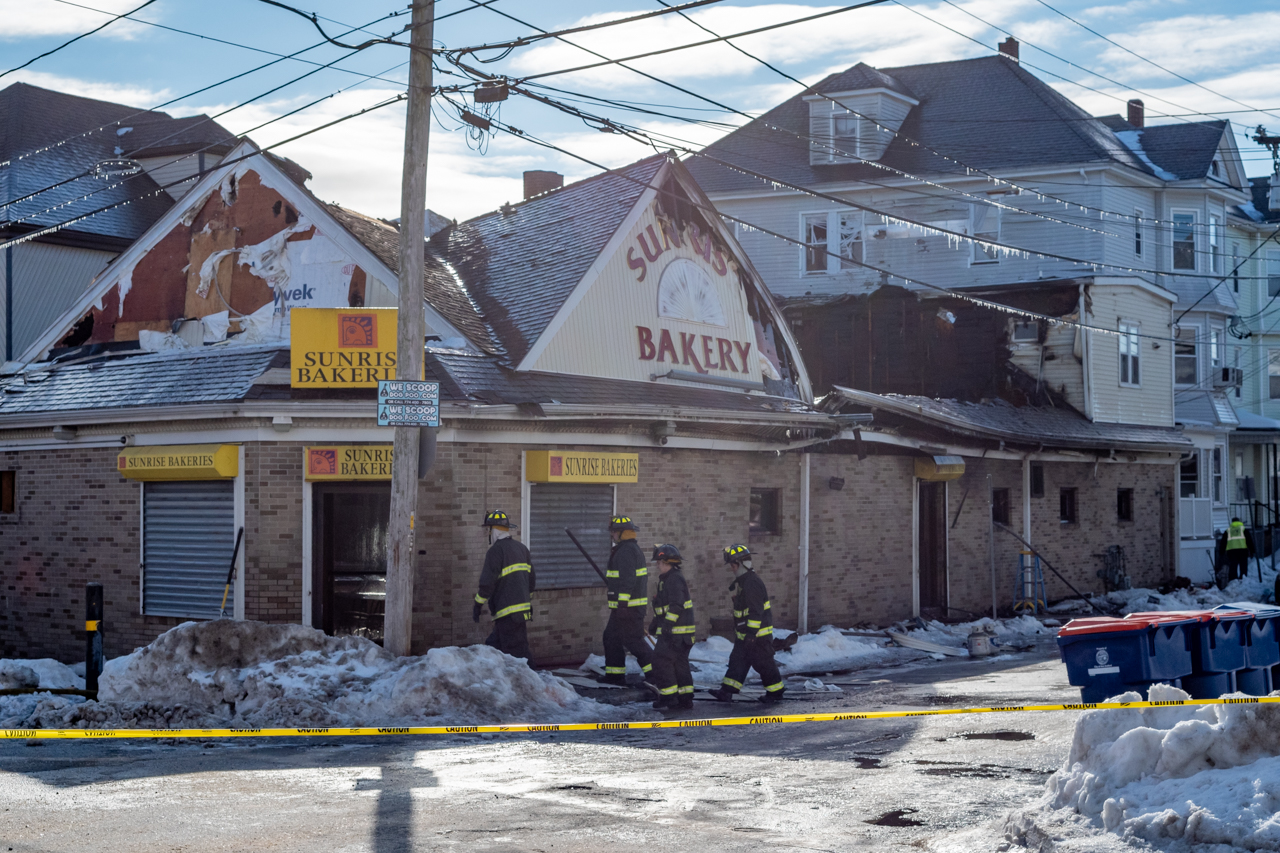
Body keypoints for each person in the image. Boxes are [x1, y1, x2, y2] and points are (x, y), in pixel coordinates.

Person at [710, 544, 785, 703]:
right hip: (746, 634)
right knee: (737, 662)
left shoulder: (751, 583)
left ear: (739, 564)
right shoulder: (745, 582)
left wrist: (751, 634)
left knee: (764, 665)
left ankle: (776, 692)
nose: (732, 569)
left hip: (757, 636)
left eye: (733, 565)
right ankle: (726, 691)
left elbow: (755, 612)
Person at [473, 510, 534, 662]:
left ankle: (533, 682)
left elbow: (487, 582)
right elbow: (531, 579)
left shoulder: (495, 551)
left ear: (494, 531)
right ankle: (497, 682)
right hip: (520, 611)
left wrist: (477, 604)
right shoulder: (522, 548)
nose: (488, 533)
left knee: (517, 654)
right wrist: (527, 600)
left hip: (507, 612)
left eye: (489, 530)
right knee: (494, 647)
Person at [600, 515, 652, 686]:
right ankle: (615, 674)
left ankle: (657, 674)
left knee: (634, 641)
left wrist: (622, 603)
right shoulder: (626, 549)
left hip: (629, 608)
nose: (612, 535)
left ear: (623, 533)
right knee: (612, 637)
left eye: (614, 532)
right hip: (624, 608)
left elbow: (628, 581)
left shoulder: (626, 551)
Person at [648, 543, 696, 709]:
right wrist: (655, 624)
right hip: (680, 634)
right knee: (679, 664)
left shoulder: (674, 580)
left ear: (667, 562)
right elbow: (663, 608)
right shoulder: (670, 579)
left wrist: (667, 625)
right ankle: (685, 698)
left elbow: (676, 605)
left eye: (659, 562)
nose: (657, 565)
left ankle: (669, 697)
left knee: (661, 661)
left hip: (675, 633)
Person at [1218, 517, 1255, 587]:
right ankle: (1243, 580)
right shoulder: (1243, 529)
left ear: (1232, 522)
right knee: (1243, 566)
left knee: (1233, 566)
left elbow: (1223, 542)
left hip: (1231, 551)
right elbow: (1249, 540)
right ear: (1239, 521)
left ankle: (1233, 581)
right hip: (1243, 550)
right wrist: (1252, 550)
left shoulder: (1228, 530)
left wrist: (1221, 552)